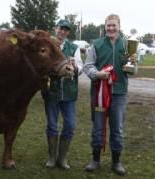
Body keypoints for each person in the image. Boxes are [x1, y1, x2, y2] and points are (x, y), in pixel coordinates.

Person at [84, 14, 137, 175]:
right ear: (105, 26)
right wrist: (97, 74)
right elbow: (88, 66)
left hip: (119, 94)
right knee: (98, 127)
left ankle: (116, 161)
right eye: (108, 25)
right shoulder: (96, 44)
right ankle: (95, 160)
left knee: (117, 129)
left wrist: (133, 64)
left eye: (114, 25)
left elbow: (133, 71)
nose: (111, 28)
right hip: (99, 92)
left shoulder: (128, 46)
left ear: (119, 27)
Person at [42, 19, 83, 170]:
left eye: (66, 30)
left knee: (70, 125)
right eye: (61, 29)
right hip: (51, 92)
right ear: (55, 28)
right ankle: (52, 158)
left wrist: (75, 66)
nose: (62, 32)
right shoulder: (47, 46)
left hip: (69, 93)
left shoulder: (74, 48)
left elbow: (81, 68)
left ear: (68, 33)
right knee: (52, 125)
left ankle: (62, 158)